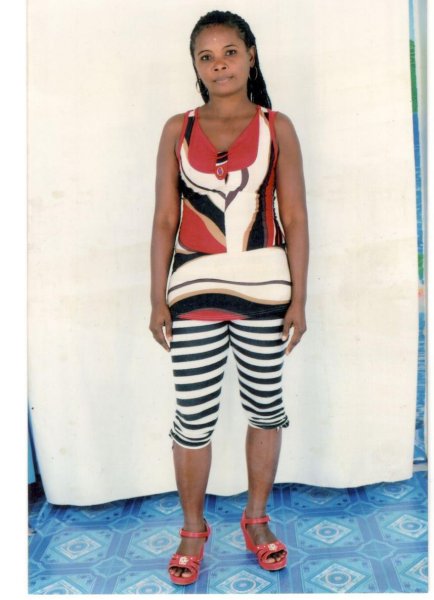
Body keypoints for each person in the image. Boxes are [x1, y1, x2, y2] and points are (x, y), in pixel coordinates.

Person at [149, 9, 309, 586]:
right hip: (193, 290)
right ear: (196, 66)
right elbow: (165, 220)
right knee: (192, 418)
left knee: (265, 407)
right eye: (207, 56)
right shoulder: (178, 128)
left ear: (251, 56)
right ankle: (193, 530)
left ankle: (256, 520)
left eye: (230, 52)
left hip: (265, 289)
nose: (219, 65)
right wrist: (157, 300)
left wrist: (299, 300)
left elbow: (295, 217)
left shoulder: (276, 127)